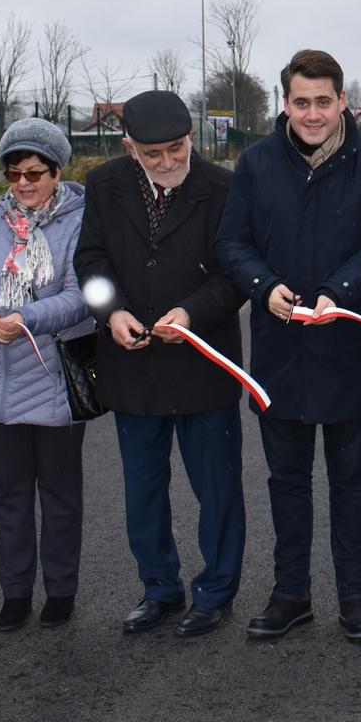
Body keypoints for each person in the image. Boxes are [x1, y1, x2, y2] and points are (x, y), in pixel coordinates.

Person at [216, 49, 361, 643]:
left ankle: (355, 597)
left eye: (324, 101)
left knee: (351, 480)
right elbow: (232, 243)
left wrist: (336, 293)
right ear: (286, 103)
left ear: (342, 101)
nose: (314, 113)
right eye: (302, 102)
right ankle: (290, 594)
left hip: (349, 344)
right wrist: (264, 286)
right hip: (280, 351)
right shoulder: (256, 163)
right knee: (286, 480)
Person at [75, 91, 248, 638]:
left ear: (190, 137)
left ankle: (215, 592)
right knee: (142, 490)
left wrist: (191, 313)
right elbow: (91, 259)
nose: (169, 162)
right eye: (153, 154)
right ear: (129, 148)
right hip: (133, 364)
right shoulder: (105, 184)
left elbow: (235, 273)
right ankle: (158, 589)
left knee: (216, 490)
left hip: (202, 361)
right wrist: (111, 312)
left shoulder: (222, 187)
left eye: (177, 148)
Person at [0, 118, 93, 632]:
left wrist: (26, 318)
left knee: (59, 495)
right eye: (14, 174)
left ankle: (61, 591)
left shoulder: (79, 220)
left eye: (35, 172)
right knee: (9, 494)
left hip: (54, 377)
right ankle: (15, 592)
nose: (24, 184)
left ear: (58, 171)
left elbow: (82, 296)